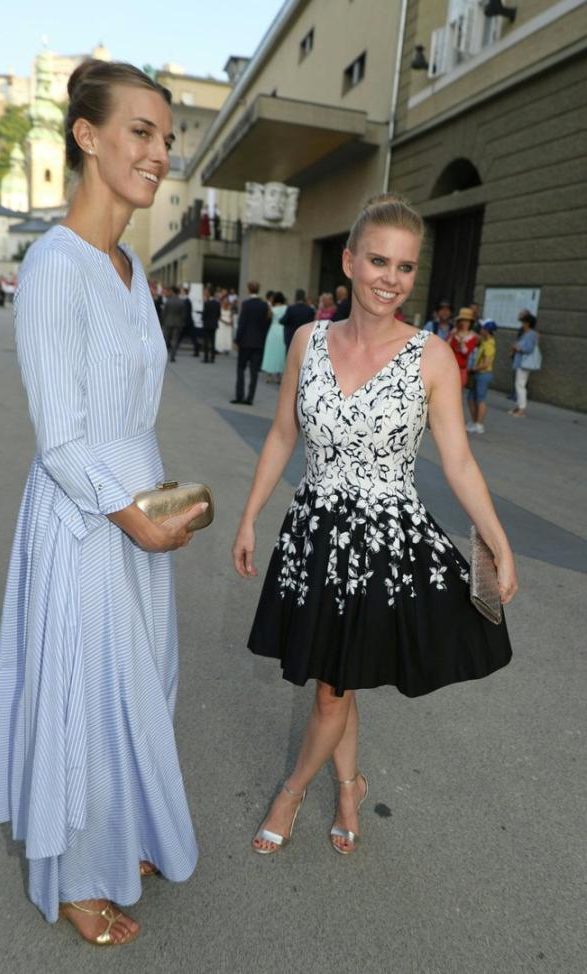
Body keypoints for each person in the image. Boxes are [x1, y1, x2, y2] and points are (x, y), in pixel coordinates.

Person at [0, 58, 207, 946]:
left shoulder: (128, 266)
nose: (159, 152)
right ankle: (78, 878)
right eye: (141, 132)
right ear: (87, 136)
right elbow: (63, 435)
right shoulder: (54, 265)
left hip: (136, 508)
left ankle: (121, 833)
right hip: (86, 520)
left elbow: (125, 408)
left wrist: (160, 507)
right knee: (83, 691)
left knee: (136, 683)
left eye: (166, 137)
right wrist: (135, 521)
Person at [232, 193, 516, 858]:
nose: (392, 277)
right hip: (312, 538)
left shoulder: (431, 357)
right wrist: (249, 518)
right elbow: (280, 436)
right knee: (341, 673)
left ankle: (293, 790)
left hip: (382, 547)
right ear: (350, 261)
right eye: (380, 261)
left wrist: (499, 545)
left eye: (407, 266)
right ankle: (351, 783)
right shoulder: (309, 340)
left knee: (332, 688)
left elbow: (460, 464)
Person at [231, 281, 271, 404]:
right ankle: (250, 398)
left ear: (249, 289)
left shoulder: (246, 304)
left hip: (245, 342)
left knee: (241, 369)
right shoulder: (264, 305)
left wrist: (237, 339)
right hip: (258, 343)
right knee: (254, 372)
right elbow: (266, 324)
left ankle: (240, 396)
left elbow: (242, 323)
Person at [466, 319, 497, 434]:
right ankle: (474, 421)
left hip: (483, 374)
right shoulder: (485, 341)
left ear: (487, 330)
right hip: (478, 374)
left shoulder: (489, 344)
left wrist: (474, 368)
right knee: (470, 398)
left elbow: (486, 363)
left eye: (483, 328)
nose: (481, 330)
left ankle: (479, 424)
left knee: (480, 399)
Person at [509, 312, 540, 418]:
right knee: (519, 384)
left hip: (524, 363)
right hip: (520, 362)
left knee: (520, 385)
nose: (522, 323)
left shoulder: (530, 334)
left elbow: (529, 349)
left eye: (523, 321)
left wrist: (518, 348)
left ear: (527, 323)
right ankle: (518, 407)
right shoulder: (527, 333)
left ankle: (521, 409)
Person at [261, 291, 288, 383]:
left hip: (273, 330)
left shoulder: (272, 308)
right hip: (282, 330)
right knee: (281, 353)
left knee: (271, 352)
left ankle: (269, 375)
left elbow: (268, 317)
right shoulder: (286, 308)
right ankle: (279, 376)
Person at [449, 307, 479, 387]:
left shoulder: (472, 336)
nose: (465, 323)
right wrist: (451, 336)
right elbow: (446, 348)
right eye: (463, 320)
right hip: (449, 367)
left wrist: (462, 342)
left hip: (461, 369)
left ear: (471, 323)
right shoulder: (453, 333)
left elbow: (466, 353)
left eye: (467, 321)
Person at [161, 285, 188, 361]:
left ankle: (164, 356)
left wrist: (163, 322)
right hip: (177, 324)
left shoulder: (168, 301)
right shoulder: (181, 302)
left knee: (166, 340)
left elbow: (164, 313)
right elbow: (183, 315)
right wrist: (182, 323)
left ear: (172, 292)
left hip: (168, 323)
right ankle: (173, 355)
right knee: (175, 340)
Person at [201, 284, 221, 363]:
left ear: (209, 293)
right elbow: (219, 314)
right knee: (213, 342)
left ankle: (206, 358)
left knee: (206, 342)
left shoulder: (207, 303)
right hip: (214, 324)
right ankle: (212, 358)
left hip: (207, 324)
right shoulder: (217, 303)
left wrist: (203, 319)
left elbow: (204, 314)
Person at [215, 290, 234, 354]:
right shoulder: (219, 306)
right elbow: (218, 316)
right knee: (220, 335)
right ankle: (219, 348)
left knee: (227, 336)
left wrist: (231, 321)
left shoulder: (229, 307)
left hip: (228, 323)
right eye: (224, 300)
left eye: (227, 300)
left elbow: (231, 315)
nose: (226, 301)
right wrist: (224, 321)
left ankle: (226, 348)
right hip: (221, 322)